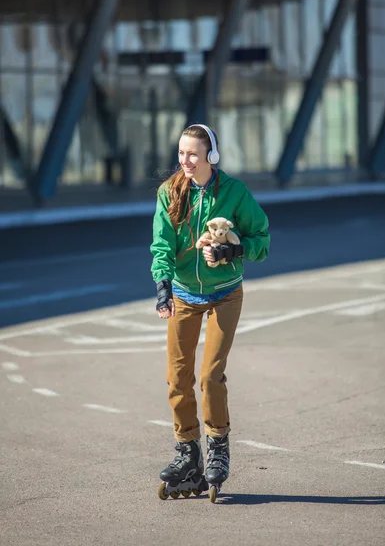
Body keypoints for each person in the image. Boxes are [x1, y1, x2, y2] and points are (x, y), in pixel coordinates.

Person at [150, 123, 270, 501]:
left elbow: (261, 241)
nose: (185, 160)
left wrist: (232, 252)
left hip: (224, 295)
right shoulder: (170, 192)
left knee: (210, 376)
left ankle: (218, 446)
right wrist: (162, 285)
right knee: (177, 376)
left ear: (210, 157)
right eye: (181, 153)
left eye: (193, 154)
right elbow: (162, 243)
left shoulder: (235, 193)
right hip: (185, 294)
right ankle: (188, 453)